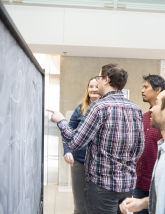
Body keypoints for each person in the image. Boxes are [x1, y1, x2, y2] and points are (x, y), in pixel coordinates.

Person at [48, 64, 144, 214]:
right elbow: (139, 148)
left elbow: (75, 142)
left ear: (106, 80)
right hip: (127, 186)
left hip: (101, 186)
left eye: (99, 78)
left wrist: (61, 120)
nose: (97, 83)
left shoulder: (99, 107)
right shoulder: (136, 109)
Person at [63, 77, 100, 214]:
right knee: (80, 203)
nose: (94, 89)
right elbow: (68, 132)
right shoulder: (80, 109)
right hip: (79, 161)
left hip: (98, 163)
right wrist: (67, 150)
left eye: (97, 86)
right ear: (87, 89)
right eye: (91, 86)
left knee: (96, 201)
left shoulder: (104, 108)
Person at [133, 75, 165, 214]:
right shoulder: (144, 117)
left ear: (158, 90)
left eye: (146, 87)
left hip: (158, 185)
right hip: (139, 184)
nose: (142, 90)